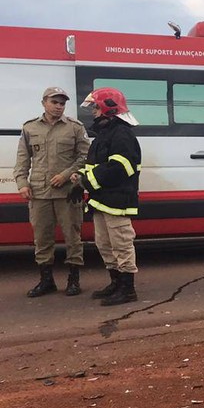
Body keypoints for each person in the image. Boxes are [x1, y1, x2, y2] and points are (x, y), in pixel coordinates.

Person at [14, 86, 90, 297]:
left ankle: (73, 280)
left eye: (62, 103)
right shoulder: (30, 128)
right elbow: (22, 159)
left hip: (68, 193)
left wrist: (66, 175)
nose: (58, 106)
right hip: (39, 193)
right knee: (42, 239)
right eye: (54, 102)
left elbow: (85, 156)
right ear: (44, 103)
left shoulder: (74, 127)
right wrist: (22, 183)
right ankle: (46, 280)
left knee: (73, 237)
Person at [70, 87, 142, 306]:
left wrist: (87, 181)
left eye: (95, 107)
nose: (93, 111)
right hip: (102, 199)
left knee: (121, 244)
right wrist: (80, 177)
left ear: (108, 108)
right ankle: (116, 282)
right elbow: (95, 165)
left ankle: (127, 289)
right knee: (104, 244)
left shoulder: (122, 133)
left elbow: (120, 167)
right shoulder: (105, 134)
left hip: (117, 201)